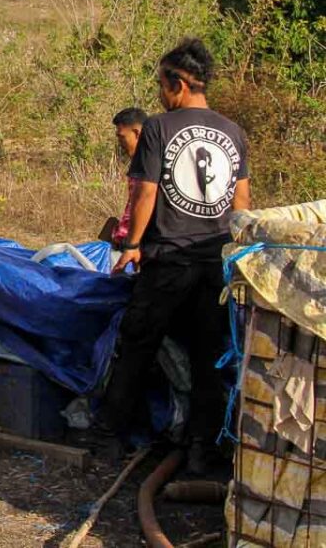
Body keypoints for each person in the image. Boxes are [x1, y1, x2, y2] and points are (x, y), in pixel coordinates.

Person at [100, 38, 251, 472]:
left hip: (167, 260)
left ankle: (110, 438)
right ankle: (203, 448)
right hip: (214, 264)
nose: (159, 93)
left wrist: (131, 246)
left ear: (178, 83)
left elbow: (146, 192)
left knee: (137, 345)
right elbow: (242, 202)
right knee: (208, 356)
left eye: (162, 83)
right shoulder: (233, 132)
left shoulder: (159, 129)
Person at [110, 107, 149, 248]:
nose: (120, 143)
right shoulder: (146, 160)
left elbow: (138, 205)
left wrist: (121, 236)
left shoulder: (146, 164)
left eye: (122, 137)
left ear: (137, 133)